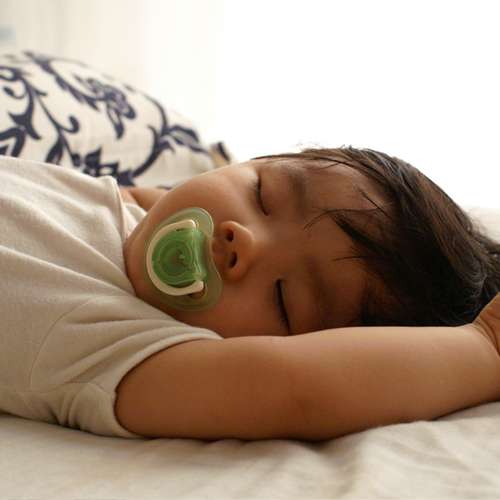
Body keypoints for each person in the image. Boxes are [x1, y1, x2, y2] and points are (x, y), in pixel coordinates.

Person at [1, 147, 500, 442]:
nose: (245, 240)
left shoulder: (114, 346)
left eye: (284, 298)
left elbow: (295, 388)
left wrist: (485, 347)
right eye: (263, 195)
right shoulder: (120, 207)